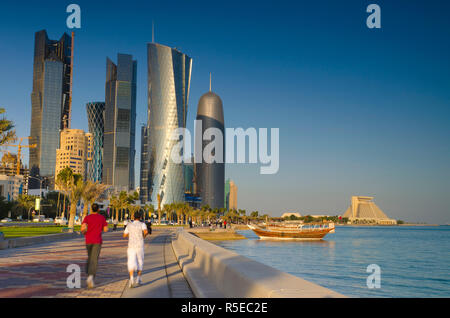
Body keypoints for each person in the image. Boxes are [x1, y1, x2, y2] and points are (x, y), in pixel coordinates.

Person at [80, 203, 108, 289]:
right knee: (94, 259)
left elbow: (83, 229)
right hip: (97, 241)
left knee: (90, 257)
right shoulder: (101, 218)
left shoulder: (87, 217)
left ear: (91, 209)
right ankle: (90, 277)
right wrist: (101, 228)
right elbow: (106, 229)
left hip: (88, 240)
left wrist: (85, 232)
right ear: (98, 209)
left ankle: (88, 272)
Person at [123, 211, 148, 288]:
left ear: (133, 217)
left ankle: (131, 278)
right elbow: (146, 232)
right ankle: (138, 279)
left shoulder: (129, 225)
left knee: (131, 261)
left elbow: (124, 235)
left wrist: (130, 235)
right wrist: (143, 236)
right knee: (140, 261)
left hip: (131, 246)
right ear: (140, 217)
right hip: (140, 245)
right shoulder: (142, 224)